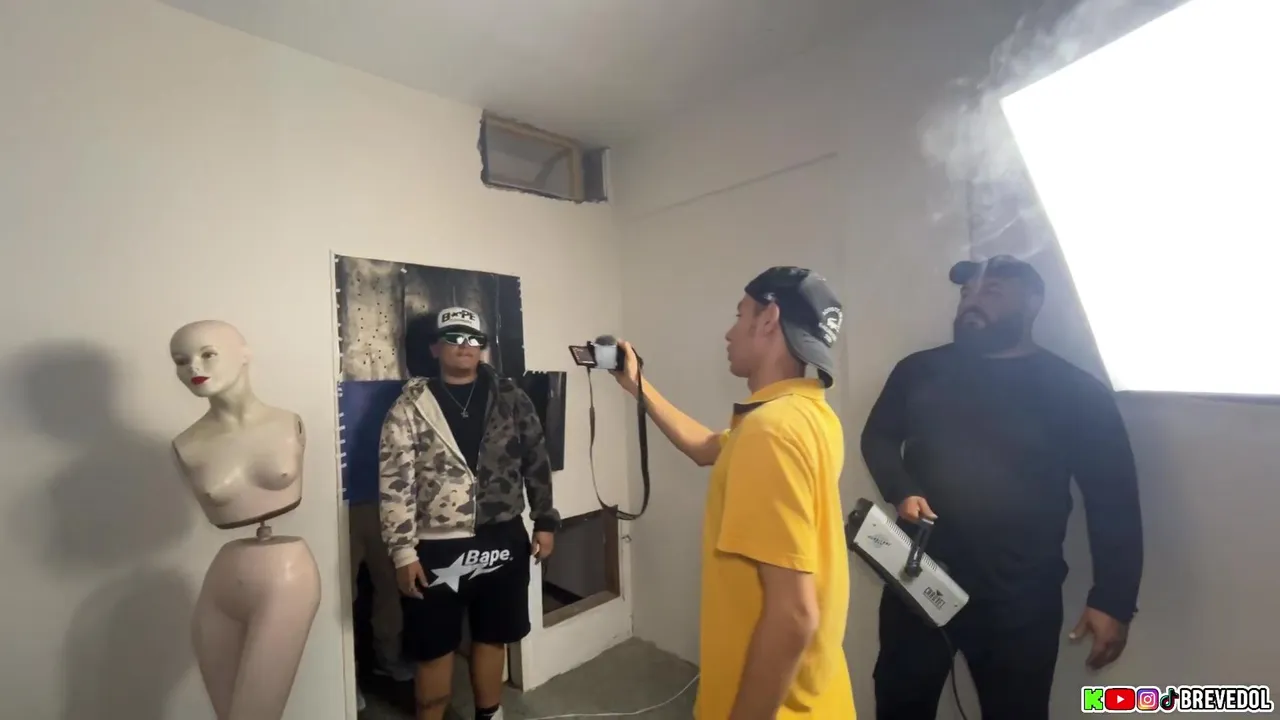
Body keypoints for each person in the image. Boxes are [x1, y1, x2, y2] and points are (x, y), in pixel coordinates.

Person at [861, 255, 1144, 720]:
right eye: (966, 293)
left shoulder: (1075, 391)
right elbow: (879, 436)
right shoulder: (919, 370)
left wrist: (1113, 599)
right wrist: (900, 488)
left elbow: (1112, 498)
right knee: (899, 704)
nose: (971, 303)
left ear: (1032, 303)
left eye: (991, 292)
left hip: (1020, 597)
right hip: (919, 574)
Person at [611, 266, 854, 719]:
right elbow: (706, 448)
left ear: (769, 319)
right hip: (814, 696)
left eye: (740, 315)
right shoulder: (809, 415)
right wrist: (636, 384)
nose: (729, 332)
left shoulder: (770, 432)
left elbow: (794, 615)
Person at [379, 306, 560, 720]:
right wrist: (402, 552)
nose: (465, 346)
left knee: (494, 636)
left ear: (484, 348)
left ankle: (489, 715)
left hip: (503, 536)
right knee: (433, 648)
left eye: (474, 339)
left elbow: (536, 461)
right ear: (435, 347)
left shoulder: (512, 399)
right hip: (435, 546)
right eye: (455, 337)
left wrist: (545, 521)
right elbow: (395, 481)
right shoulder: (410, 407)